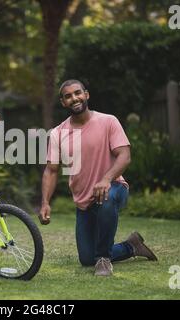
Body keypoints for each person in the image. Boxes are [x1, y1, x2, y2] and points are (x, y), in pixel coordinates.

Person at [39, 79, 157, 277]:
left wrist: (106, 179)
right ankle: (132, 246)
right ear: (63, 102)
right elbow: (51, 170)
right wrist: (45, 203)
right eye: (68, 96)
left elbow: (124, 155)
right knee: (86, 259)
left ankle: (103, 259)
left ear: (86, 95)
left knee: (107, 197)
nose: (74, 98)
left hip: (115, 188)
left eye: (77, 93)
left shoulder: (108, 121)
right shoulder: (58, 133)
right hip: (84, 201)